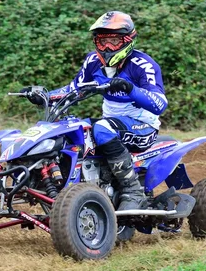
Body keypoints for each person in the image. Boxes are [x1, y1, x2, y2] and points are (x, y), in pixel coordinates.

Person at [24, 11, 168, 211]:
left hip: (143, 126)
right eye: (102, 42)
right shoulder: (93, 61)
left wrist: (131, 89)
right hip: (112, 123)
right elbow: (74, 90)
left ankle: (133, 191)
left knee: (101, 129)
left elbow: (160, 103)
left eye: (114, 41)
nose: (107, 47)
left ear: (128, 40)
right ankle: (63, 184)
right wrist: (44, 96)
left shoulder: (143, 65)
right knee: (69, 129)